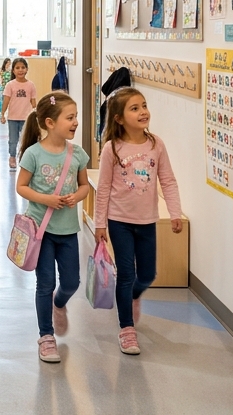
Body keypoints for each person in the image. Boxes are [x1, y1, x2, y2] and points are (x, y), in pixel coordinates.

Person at [93, 88, 182, 355]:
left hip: (147, 220)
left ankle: (133, 295)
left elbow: (168, 180)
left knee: (147, 275)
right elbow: (103, 188)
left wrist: (175, 212)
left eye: (144, 106)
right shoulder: (112, 148)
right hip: (119, 220)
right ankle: (127, 329)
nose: (143, 112)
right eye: (134, 108)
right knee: (126, 274)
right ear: (119, 118)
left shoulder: (156, 144)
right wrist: (100, 224)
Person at [16, 92, 91, 364]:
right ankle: (46, 336)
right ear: (50, 122)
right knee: (45, 283)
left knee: (71, 282)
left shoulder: (77, 153)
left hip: (68, 230)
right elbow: (21, 187)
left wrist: (77, 196)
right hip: (41, 230)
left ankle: (59, 304)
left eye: (76, 117)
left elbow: (84, 186)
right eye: (70, 118)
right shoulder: (33, 154)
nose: (75, 122)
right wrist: (45, 199)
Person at [0, 58, 36, 172]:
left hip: (26, 118)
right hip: (13, 118)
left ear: (27, 69)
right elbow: (6, 101)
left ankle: (26, 158)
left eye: (23, 67)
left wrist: (36, 115)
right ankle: (12, 157)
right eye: (17, 68)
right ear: (13, 70)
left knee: (26, 140)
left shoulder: (31, 85)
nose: (20, 70)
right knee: (13, 140)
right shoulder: (10, 85)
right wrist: (2, 114)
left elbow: (33, 102)